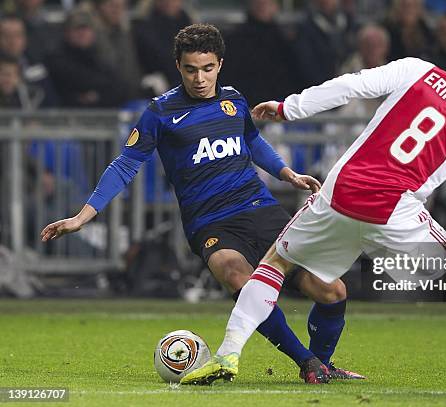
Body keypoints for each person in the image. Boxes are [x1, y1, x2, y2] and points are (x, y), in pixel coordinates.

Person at [181, 34, 446, 393]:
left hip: (341, 192)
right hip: (395, 211)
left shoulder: (417, 70)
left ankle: (228, 354)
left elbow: (350, 85)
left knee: (274, 264)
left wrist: (288, 108)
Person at [40, 23, 362, 383]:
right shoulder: (160, 113)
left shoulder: (234, 100)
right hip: (210, 222)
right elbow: (126, 164)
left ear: (219, 64)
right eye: (191, 69)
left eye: (207, 68)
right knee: (237, 275)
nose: (199, 78)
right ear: (178, 66)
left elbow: (252, 142)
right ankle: (305, 362)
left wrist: (287, 173)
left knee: (332, 290)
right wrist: (84, 215)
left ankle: (322, 364)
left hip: (260, 208)